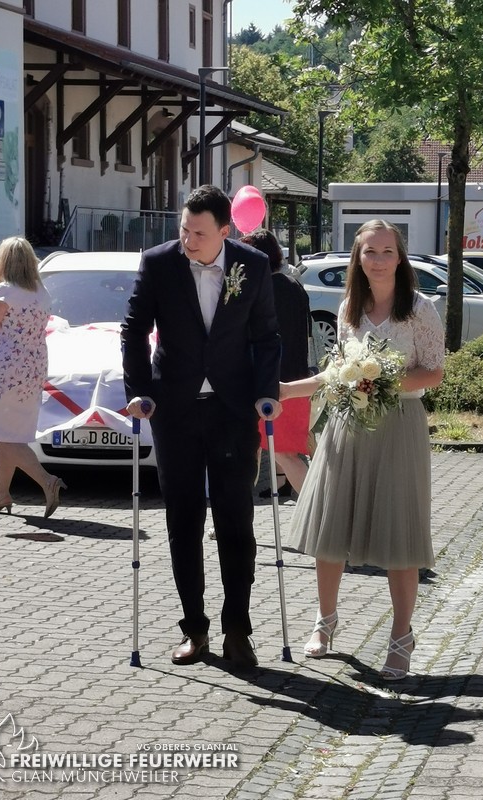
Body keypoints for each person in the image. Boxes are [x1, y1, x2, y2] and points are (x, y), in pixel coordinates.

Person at [121, 185, 281, 670]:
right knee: (183, 520)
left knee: (236, 521)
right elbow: (134, 329)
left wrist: (266, 391)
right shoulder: (159, 263)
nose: (188, 240)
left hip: (232, 410)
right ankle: (194, 628)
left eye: (199, 233)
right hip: (175, 410)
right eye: (184, 230)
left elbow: (266, 335)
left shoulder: (252, 266)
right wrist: (141, 389)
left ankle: (238, 629)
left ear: (225, 231)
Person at [280, 219, 444, 679]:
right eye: (370, 251)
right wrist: (287, 390)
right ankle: (325, 621)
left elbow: (433, 372)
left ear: (400, 257)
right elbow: (336, 374)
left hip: (400, 426)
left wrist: (383, 383)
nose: (378, 260)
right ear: (357, 257)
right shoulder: (349, 308)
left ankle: (401, 637)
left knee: (400, 535)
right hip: (347, 425)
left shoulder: (421, 310)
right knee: (330, 526)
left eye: (387, 251)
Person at [0, 237, 66, 517]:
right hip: (34, 370)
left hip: (9, 371)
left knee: (3, 437)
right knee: (13, 433)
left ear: (4, 261)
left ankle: (47, 481)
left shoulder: (5, 290)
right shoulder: (41, 292)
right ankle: (1, 494)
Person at [239, 229, 311, 498]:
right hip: (296, 381)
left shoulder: (262, 289)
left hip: (270, 383)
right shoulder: (294, 286)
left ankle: (317, 511)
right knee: (281, 452)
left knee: (280, 454)